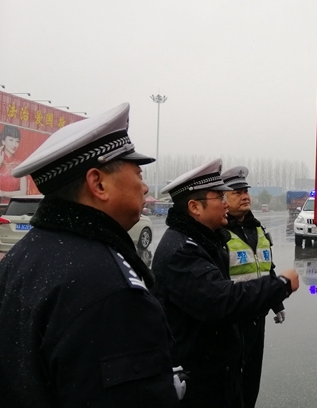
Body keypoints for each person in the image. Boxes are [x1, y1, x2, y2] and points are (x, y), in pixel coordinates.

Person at [0, 103, 181, 407]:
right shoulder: (113, 291)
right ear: (98, 183)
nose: (145, 185)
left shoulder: (25, 254)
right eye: (137, 172)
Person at [151, 159, 299, 408]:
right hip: (201, 369)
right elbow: (220, 300)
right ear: (194, 207)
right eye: (220, 197)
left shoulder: (211, 239)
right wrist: (280, 286)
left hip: (237, 336)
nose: (225, 203)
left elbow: (262, 266)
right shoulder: (181, 250)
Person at [221, 166, 285, 408]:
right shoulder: (219, 232)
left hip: (257, 317)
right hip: (232, 318)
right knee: (231, 381)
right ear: (223, 197)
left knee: (251, 379)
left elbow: (266, 266)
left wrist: (275, 301)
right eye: (237, 192)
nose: (245, 195)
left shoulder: (257, 228)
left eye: (246, 190)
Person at [0, 125, 27, 198]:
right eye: (11, 140)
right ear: (3, 141)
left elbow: (23, 192)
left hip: (13, 206)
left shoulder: (20, 165)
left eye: (17, 141)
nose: (14, 145)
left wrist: (3, 193)